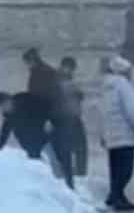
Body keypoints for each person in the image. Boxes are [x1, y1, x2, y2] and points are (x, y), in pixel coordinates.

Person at [101, 54, 134, 211]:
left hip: (112, 135)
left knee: (115, 169)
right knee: (126, 170)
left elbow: (101, 111)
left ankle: (116, 195)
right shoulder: (124, 86)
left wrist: (103, 133)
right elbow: (132, 111)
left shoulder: (106, 86)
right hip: (125, 134)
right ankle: (116, 196)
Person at [22, 46, 73, 189]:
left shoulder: (42, 73)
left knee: (57, 152)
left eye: (27, 62)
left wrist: (47, 118)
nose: (26, 66)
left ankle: (64, 185)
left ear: (32, 60)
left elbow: (46, 97)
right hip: (53, 117)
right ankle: (63, 184)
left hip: (52, 118)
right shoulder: (43, 72)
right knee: (56, 152)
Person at [58, 56, 89, 181]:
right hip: (64, 118)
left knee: (80, 147)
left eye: (72, 69)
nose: (70, 71)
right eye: (68, 68)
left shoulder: (70, 80)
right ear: (63, 67)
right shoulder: (57, 80)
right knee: (68, 146)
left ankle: (80, 172)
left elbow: (79, 95)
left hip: (74, 117)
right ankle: (67, 172)